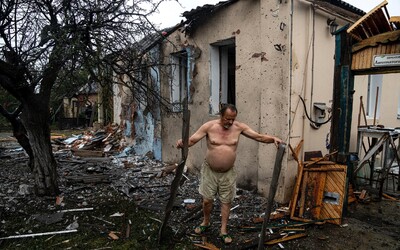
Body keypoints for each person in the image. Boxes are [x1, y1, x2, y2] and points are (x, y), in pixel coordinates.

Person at [176, 104, 283, 244]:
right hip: (210, 171)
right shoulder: (209, 126)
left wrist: (273, 139)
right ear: (221, 115)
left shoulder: (239, 128)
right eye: (227, 119)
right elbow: (192, 140)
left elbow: (259, 137)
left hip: (228, 173)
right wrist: (182, 143)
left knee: (226, 201)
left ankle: (223, 230)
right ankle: (206, 222)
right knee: (207, 200)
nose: (230, 122)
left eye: (233, 119)